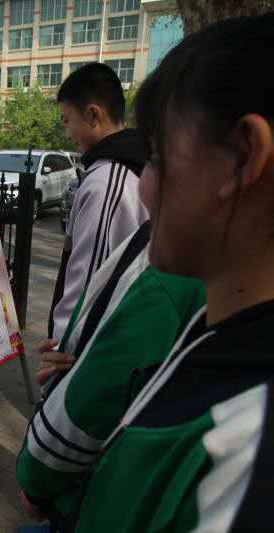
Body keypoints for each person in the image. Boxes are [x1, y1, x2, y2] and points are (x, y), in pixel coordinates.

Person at [65, 14, 274, 532]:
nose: (145, 188)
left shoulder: (242, 468)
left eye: (157, 157)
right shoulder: (216, 331)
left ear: (245, 156)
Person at [16, 220, 204, 529]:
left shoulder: (168, 260)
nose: (144, 192)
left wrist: (34, 485)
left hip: (100, 498)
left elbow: (87, 405)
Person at [49, 63, 148, 342]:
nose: (67, 133)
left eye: (66, 120)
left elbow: (89, 287)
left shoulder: (106, 182)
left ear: (93, 115)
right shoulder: (126, 168)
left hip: (87, 348)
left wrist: (63, 347)